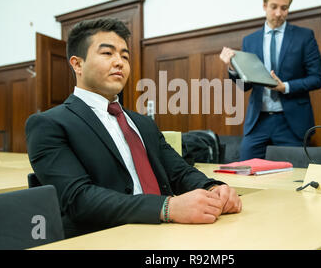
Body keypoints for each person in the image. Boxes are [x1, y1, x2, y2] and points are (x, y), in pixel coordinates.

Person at [26, 18, 241, 238]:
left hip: (166, 233)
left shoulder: (142, 123)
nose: (119, 62)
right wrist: (166, 208)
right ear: (77, 64)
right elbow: (78, 199)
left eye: (125, 56)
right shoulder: (49, 124)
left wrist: (213, 188)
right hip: (104, 238)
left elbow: (179, 172)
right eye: (108, 53)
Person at [220, 0, 321, 160]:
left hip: (291, 122)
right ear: (264, 6)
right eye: (274, 7)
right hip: (258, 122)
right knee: (247, 174)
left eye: (284, 8)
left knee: (293, 179)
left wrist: (285, 87)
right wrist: (232, 68)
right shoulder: (250, 41)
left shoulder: (304, 37)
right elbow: (244, 87)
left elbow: (317, 78)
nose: (278, 13)